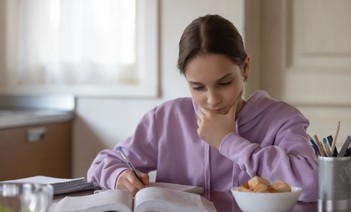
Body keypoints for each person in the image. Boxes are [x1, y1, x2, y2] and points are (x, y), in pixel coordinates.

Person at [87, 14, 318, 202]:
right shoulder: (166, 119)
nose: (212, 99)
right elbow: (103, 163)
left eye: (224, 83)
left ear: (245, 67)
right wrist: (119, 176)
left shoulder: (281, 119)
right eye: (197, 87)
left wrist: (228, 141)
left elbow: (312, 184)